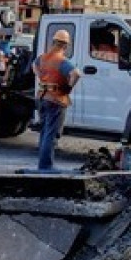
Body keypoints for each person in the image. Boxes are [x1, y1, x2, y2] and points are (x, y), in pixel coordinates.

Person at [34, 29, 79, 171]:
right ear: (65, 46)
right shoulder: (61, 61)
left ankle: (42, 164)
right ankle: (46, 165)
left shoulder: (42, 58)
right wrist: (69, 88)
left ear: (53, 42)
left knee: (44, 132)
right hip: (56, 99)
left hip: (42, 97)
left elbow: (33, 66)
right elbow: (75, 74)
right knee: (50, 134)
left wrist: (40, 76)